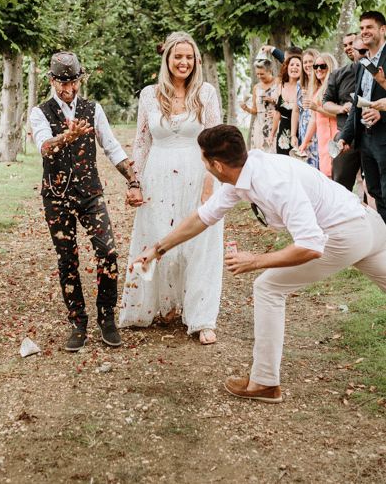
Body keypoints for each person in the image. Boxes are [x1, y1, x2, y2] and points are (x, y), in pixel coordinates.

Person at [135, 124, 386, 403]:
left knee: (268, 287)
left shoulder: (274, 183)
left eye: (203, 159)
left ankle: (265, 382)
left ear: (216, 164)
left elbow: (311, 246)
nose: (203, 164)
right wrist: (158, 249)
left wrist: (254, 260)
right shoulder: (242, 173)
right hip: (367, 224)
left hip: (346, 233)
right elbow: (203, 217)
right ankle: (264, 381)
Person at [29, 51, 142, 352]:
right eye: (61, 83)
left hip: (90, 192)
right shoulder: (39, 112)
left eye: (73, 83)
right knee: (68, 260)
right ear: (51, 81)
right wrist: (66, 137)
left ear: (81, 80)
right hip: (56, 195)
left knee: (108, 251)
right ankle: (78, 322)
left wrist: (132, 181)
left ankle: (107, 317)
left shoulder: (93, 109)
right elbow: (44, 148)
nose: (67, 90)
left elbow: (112, 147)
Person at [119, 33, 223, 344]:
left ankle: (202, 317)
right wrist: (134, 182)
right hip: (158, 175)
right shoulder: (150, 95)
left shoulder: (206, 93)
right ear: (167, 60)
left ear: (196, 61)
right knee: (158, 237)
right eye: (177, 56)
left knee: (200, 244)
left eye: (189, 57)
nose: (183, 62)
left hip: (198, 173)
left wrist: (210, 182)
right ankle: (164, 305)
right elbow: (141, 142)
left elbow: (216, 139)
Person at [339, 12, 386, 223]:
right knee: (375, 191)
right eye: (362, 28)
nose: (365, 31)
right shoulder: (363, 63)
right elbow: (357, 104)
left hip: (384, 136)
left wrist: (381, 112)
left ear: (382, 30)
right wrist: (345, 136)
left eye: (370, 27)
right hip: (365, 139)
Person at [322, 32, 361, 189]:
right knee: (340, 184)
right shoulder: (338, 74)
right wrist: (342, 108)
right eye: (345, 45)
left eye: (351, 43)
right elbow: (326, 103)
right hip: (346, 137)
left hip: (372, 135)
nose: (348, 48)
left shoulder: (374, 70)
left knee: (371, 186)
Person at [297, 53, 338, 177]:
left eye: (322, 66)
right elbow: (314, 120)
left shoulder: (334, 88)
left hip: (334, 136)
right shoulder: (316, 90)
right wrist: (304, 143)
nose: (318, 69)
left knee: (336, 176)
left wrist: (317, 108)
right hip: (322, 138)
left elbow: (339, 114)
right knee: (326, 175)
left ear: (330, 67)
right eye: (316, 66)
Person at [240, 60, 276, 152]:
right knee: (259, 153)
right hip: (259, 125)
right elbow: (255, 111)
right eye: (257, 74)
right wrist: (246, 108)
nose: (259, 76)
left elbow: (285, 104)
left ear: (270, 71)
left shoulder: (278, 84)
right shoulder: (256, 87)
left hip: (274, 123)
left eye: (262, 74)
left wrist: (273, 100)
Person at [269, 55, 302, 155]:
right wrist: (272, 134)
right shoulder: (280, 86)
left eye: (298, 65)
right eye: (292, 64)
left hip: (300, 132)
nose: (294, 67)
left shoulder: (303, 88)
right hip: (283, 134)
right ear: (287, 67)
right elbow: (277, 113)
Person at [293, 49, 319, 168]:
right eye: (305, 62)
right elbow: (296, 110)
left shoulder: (321, 83)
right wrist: (293, 135)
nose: (307, 65)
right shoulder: (300, 84)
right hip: (303, 130)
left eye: (310, 62)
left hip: (317, 129)